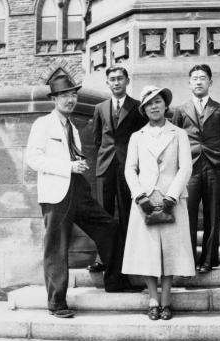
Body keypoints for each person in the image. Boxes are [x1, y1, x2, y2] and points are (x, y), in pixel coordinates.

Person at [26, 75, 141, 318]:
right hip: (56, 194)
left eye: (73, 95)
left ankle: (115, 281)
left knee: (109, 227)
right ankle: (57, 303)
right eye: (65, 95)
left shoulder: (73, 128)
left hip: (78, 190)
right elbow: (33, 160)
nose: (71, 100)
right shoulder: (43, 125)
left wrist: (78, 164)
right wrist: (68, 166)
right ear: (54, 99)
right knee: (56, 247)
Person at [122, 85, 195, 320]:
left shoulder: (179, 134)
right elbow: (130, 169)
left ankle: (166, 300)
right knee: (148, 252)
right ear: (143, 109)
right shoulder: (137, 137)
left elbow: (186, 167)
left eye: (158, 102)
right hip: (145, 201)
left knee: (170, 252)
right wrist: (140, 196)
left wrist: (171, 196)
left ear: (165, 105)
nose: (154, 106)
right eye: (149, 103)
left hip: (171, 200)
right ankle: (153, 299)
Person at [172, 64, 220, 274]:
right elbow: (176, 139)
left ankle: (209, 260)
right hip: (189, 168)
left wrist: (218, 155)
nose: (198, 81)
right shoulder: (180, 110)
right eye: (195, 78)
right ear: (189, 83)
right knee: (188, 214)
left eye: (203, 78)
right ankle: (189, 259)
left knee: (213, 214)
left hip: (215, 167)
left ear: (210, 82)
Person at [89, 65, 146, 273]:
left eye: (120, 78)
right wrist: (106, 157)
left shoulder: (137, 107)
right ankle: (102, 258)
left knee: (126, 212)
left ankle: (128, 257)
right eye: (112, 79)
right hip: (105, 167)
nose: (116, 82)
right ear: (107, 83)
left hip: (128, 168)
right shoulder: (100, 108)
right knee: (103, 213)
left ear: (127, 81)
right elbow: (97, 140)